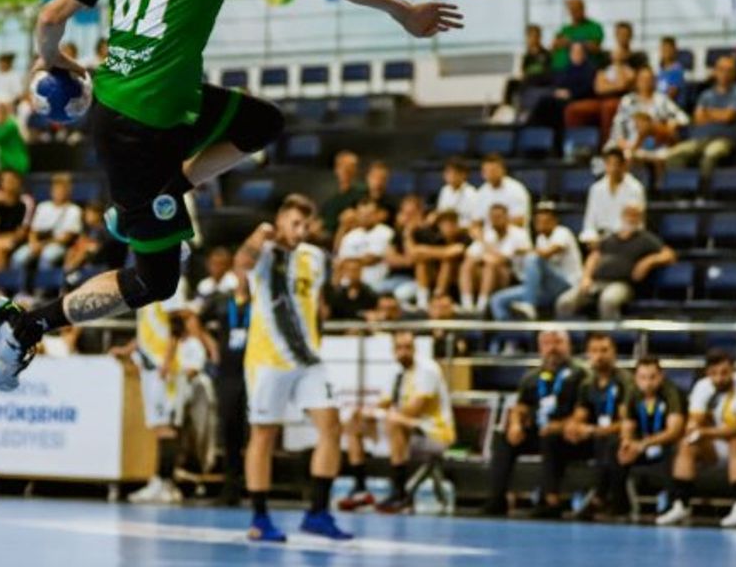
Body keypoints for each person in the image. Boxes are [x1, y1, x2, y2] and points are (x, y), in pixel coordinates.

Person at [0, 0, 462, 410]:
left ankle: (165, 190)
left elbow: (49, 17)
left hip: (149, 106)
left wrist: (52, 60)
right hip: (141, 132)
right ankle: (23, 327)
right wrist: (404, 12)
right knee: (154, 282)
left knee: (263, 121)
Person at [238, 195, 353, 541]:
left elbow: (318, 304)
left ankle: (317, 512)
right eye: (294, 223)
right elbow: (241, 263)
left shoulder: (314, 257)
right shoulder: (266, 253)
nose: (300, 230)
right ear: (280, 221)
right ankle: (260, 518)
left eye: (305, 224)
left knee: (331, 426)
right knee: (264, 436)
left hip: (308, 359)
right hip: (268, 360)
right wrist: (260, 236)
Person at [109, 277, 210, 505]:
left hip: (163, 368)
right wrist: (128, 349)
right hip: (150, 365)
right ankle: (162, 482)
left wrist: (167, 360)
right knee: (158, 426)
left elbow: (176, 325)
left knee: (165, 427)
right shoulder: (146, 284)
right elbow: (148, 328)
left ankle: (164, 483)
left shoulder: (170, 281)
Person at [340, 330, 455, 513]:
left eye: (408, 347)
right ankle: (360, 489)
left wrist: (380, 414)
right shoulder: (396, 372)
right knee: (355, 421)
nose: (403, 352)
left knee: (394, 421)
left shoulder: (428, 370)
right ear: (393, 350)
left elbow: (413, 411)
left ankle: (400, 494)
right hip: (405, 426)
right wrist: (366, 414)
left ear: (415, 349)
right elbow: (384, 403)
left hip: (434, 432)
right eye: (399, 348)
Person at [483, 329, 587, 517]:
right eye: (547, 343)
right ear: (540, 348)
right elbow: (520, 408)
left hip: (567, 435)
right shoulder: (531, 377)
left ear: (568, 346)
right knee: (502, 438)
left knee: (550, 438)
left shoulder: (581, 374)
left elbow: (585, 410)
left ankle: (550, 500)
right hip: (539, 431)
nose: (552, 348)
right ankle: (497, 498)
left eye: (557, 342)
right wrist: (515, 425)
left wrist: (561, 426)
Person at [656, 350, 736, 528]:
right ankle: (681, 504)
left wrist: (705, 432)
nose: (719, 378)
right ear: (707, 372)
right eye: (714, 374)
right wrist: (694, 428)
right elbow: (695, 421)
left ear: (733, 370)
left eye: (724, 373)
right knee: (687, 444)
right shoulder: (703, 387)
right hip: (716, 443)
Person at [557, 203, 674, 319]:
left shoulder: (646, 239)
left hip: (622, 284)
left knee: (608, 300)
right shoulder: (610, 238)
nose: (631, 219)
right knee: (564, 302)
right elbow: (594, 257)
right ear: (622, 216)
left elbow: (669, 254)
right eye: (629, 214)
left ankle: (609, 331)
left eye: (635, 215)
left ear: (641, 219)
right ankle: (566, 331)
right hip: (596, 282)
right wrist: (586, 278)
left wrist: (648, 261)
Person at [561, 333, 634, 518]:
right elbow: (580, 414)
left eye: (604, 350)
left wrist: (594, 430)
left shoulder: (625, 381)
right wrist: (573, 427)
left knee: (610, 442)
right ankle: (549, 498)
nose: (599, 356)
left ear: (614, 353)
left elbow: (626, 422)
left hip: (618, 435)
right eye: (594, 351)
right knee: (554, 439)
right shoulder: (587, 383)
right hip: (594, 436)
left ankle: (605, 498)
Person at [203, 248, 253, 504]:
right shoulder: (222, 299)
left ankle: (254, 485)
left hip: (254, 371)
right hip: (229, 372)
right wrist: (211, 345)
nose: (245, 275)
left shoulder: (262, 301)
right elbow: (192, 319)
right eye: (242, 270)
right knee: (230, 428)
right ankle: (230, 486)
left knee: (255, 430)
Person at [617, 358, 686, 516]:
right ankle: (619, 504)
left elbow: (674, 431)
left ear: (661, 376)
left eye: (652, 377)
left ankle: (671, 503)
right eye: (643, 377)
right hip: (642, 445)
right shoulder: (633, 393)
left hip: (665, 443)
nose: (648, 383)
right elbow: (627, 424)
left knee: (673, 450)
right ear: (636, 378)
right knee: (616, 448)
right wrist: (626, 443)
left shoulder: (671, 392)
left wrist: (644, 444)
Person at [490, 204, 582, 321]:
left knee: (533, 258)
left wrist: (525, 251)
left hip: (567, 284)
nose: (540, 224)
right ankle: (507, 330)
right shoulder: (540, 239)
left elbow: (547, 253)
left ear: (554, 221)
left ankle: (529, 305)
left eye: (545, 221)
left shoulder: (562, 232)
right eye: (537, 221)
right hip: (545, 288)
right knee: (497, 299)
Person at [665, 55, 736, 179]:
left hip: (724, 139)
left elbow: (728, 117)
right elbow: (698, 118)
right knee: (674, 154)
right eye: (721, 70)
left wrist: (707, 113)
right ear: (715, 72)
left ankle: (704, 189)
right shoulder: (706, 95)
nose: (725, 74)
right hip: (700, 138)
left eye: (729, 70)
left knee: (710, 154)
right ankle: (679, 188)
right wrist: (719, 114)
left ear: (735, 74)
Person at [563, 22, 639, 143]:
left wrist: (618, 63)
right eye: (620, 34)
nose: (622, 37)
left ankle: (606, 145)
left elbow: (624, 85)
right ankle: (573, 146)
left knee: (608, 107)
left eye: (625, 34)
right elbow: (599, 87)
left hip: (625, 99)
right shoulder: (605, 57)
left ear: (631, 36)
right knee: (573, 109)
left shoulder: (637, 58)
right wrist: (615, 84)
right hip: (600, 99)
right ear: (615, 35)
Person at [606, 65, 689, 166]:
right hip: (630, 145)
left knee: (667, 156)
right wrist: (626, 145)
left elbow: (684, 118)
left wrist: (672, 124)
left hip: (657, 147)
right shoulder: (627, 101)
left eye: (649, 79)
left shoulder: (661, 100)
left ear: (654, 81)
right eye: (642, 79)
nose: (645, 82)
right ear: (636, 81)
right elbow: (617, 129)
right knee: (618, 155)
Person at [458, 204, 530, 316]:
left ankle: (482, 307)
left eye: (498, 217)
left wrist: (482, 242)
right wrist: (484, 250)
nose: (495, 220)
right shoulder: (488, 233)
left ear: (507, 217)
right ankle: (467, 305)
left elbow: (502, 259)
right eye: (492, 217)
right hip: (488, 275)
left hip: (515, 277)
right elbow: (469, 255)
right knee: (467, 265)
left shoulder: (519, 234)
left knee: (490, 265)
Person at [11, 174, 83, 271]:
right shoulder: (42, 207)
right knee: (18, 257)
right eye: (56, 189)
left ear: (68, 191)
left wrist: (43, 245)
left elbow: (66, 238)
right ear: (51, 190)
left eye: (62, 190)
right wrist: (33, 243)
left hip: (59, 245)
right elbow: (33, 231)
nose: (59, 192)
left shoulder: (74, 210)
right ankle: (17, 281)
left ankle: (45, 281)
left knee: (47, 256)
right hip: (38, 243)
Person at [580, 147, 647, 248]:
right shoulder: (596, 189)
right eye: (609, 164)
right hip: (600, 240)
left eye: (616, 164)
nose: (613, 169)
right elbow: (589, 223)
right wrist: (592, 238)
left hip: (626, 241)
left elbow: (638, 223)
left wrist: (620, 239)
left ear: (624, 165)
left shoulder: (636, 188)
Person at [410, 210, 468, 312]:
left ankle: (438, 297)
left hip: (459, 277)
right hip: (435, 276)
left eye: (452, 224)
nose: (449, 227)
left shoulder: (464, 237)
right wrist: (444, 253)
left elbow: (457, 250)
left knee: (447, 262)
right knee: (422, 263)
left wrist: (431, 253)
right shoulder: (436, 238)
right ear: (439, 226)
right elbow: (416, 252)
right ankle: (422, 302)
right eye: (445, 224)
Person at [335, 197, 395, 294]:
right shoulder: (349, 236)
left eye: (369, 214)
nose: (365, 217)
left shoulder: (386, 232)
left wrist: (351, 261)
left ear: (377, 215)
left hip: (377, 283)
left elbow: (371, 259)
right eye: (361, 214)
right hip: (348, 284)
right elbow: (342, 261)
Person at [473, 154, 531, 229]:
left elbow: (520, 221)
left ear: (503, 170)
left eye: (494, 170)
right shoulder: (481, 192)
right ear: (482, 173)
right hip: (488, 234)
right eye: (487, 171)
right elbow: (476, 222)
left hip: (513, 234)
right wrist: (479, 234)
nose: (490, 174)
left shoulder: (516, 189)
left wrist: (496, 225)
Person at [319, 150, 366, 237]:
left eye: (350, 166)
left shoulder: (363, 193)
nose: (346, 170)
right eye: (341, 166)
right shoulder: (331, 200)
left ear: (355, 169)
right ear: (336, 169)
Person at [551, 0, 604, 71]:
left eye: (576, 9)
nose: (573, 12)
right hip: (559, 68)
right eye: (571, 9)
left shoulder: (594, 27)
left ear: (583, 9)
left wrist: (571, 43)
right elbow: (553, 47)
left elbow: (596, 48)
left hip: (582, 70)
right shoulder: (565, 29)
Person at [435, 157, 480, 228]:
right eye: (448, 172)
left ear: (464, 175)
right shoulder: (444, 190)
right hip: (446, 229)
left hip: (464, 230)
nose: (451, 176)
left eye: (455, 173)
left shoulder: (472, 193)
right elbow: (440, 213)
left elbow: (475, 221)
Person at [655, 36, 687, 104]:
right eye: (664, 49)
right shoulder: (659, 70)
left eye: (668, 49)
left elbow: (671, 95)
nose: (666, 52)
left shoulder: (677, 70)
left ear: (674, 50)